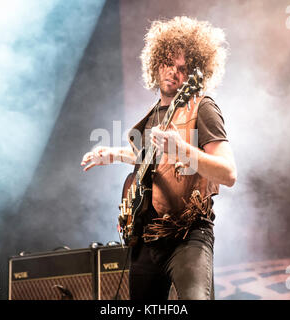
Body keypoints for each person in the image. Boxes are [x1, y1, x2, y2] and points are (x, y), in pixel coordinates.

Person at [81, 16, 237, 300]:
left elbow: (228, 173)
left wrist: (184, 150)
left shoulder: (202, 107)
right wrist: (114, 154)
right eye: (168, 63)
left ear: (193, 75)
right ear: (156, 62)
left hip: (188, 235)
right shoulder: (154, 116)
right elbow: (151, 159)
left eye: (183, 68)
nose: (173, 72)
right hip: (146, 240)